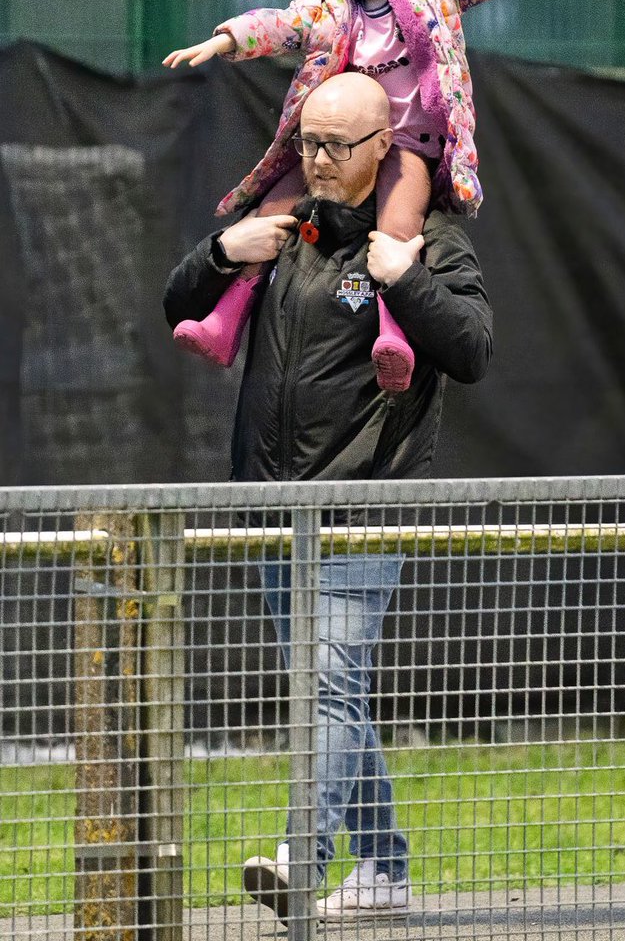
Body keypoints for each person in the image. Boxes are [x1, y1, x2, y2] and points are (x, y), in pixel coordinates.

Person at [163, 71, 493, 923]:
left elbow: (472, 348)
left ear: (384, 145)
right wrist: (220, 253)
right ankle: (383, 866)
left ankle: (296, 858)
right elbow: (177, 301)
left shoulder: (426, 239)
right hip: (271, 510)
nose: (316, 159)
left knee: (332, 685)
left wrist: (405, 280)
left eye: (336, 145)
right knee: (328, 693)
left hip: (361, 509)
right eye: (307, 140)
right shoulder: (289, 229)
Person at [163, 0, 569, 392]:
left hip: (405, 145)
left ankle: (393, 334)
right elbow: (281, 24)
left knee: (398, 227)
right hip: (347, 139)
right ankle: (228, 317)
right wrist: (226, 39)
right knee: (271, 210)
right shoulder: (330, 6)